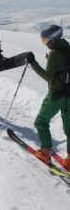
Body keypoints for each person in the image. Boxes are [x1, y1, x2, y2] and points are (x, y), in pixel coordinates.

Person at [26, 24, 70, 171]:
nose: (45, 44)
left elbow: (48, 76)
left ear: (52, 39)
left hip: (56, 94)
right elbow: (62, 66)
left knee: (41, 121)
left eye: (45, 41)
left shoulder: (54, 54)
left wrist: (33, 62)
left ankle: (45, 153)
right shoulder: (66, 47)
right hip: (69, 95)